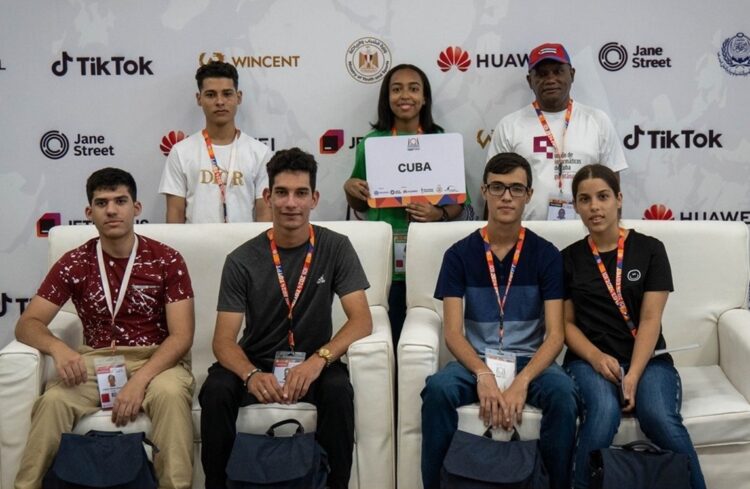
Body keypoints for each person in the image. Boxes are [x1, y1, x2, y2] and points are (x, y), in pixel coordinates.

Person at [200, 148, 373, 489]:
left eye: (300, 193)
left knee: (339, 392)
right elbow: (223, 341)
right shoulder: (241, 259)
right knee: (216, 391)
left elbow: (361, 320)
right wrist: (250, 374)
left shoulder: (336, 246)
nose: (291, 203)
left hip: (315, 360)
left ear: (315, 198)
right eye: (281, 193)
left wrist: (318, 360)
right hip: (257, 361)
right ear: (268, 197)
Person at [14, 168, 195, 489]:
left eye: (120, 201)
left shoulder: (166, 259)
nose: (111, 210)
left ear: (136, 209)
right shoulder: (75, 262)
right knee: (53, 402)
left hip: (156, 359)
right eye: (102, 203)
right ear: (89, 212)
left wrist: (139, 380)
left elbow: (182, 336)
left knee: (169, 395)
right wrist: (58, 347)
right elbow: (27, 324)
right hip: (96, 360)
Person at [421, 153, 579, 489]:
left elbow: (555, 335)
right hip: (475, 361)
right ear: (484, 191)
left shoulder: (547, 255)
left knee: (564, 394)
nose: (506, 196)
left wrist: (522, 380)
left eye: (516, 189)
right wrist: (483, 373)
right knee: (437, 390)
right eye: (498, 187)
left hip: (531, 361)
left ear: (528, 195)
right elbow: (452, 331)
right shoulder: (458, 254)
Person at [562, 164, 706, 489]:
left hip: (648, 360)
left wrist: (635, 375)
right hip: (589, 362)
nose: (594, 207)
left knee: (659, 418)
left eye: (603, 196)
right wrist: (598, 358)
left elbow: (650, 319)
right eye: (585, 199)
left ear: (619, 199)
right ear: (576, 206)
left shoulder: (650, 249)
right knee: (601, 415)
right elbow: (566, 325)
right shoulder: (567, 259)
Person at [343, 63, 467, 344]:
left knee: (425, 336)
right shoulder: (371, 143)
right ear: (387, 98)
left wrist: (438, 213)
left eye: (414, 88)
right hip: (384, 256)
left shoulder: (440, 140)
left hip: (429, 252)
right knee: (387, 333)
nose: (405, 96)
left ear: (425, 98)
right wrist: (351, 188)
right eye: (396, 89)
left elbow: (460, 203)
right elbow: (361, 205)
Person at [486, 42, 628, 220]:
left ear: (572, 74)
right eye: (542, 74)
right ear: (530, 81)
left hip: (586, 234)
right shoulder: (509, 126)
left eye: (558, 71)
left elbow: (612, 188)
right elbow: (494, 189)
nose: (550, 79)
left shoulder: (597, 121)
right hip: (527, 235)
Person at [158, 60, 272, 223]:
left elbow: (265, 215)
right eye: (211, 95)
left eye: (227, 94)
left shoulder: (259, 152)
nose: (219, 102)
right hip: (194, 247)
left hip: (246, 247)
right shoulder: (181, 152)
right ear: (199, 99)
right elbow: (175, 214)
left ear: (238, 97)